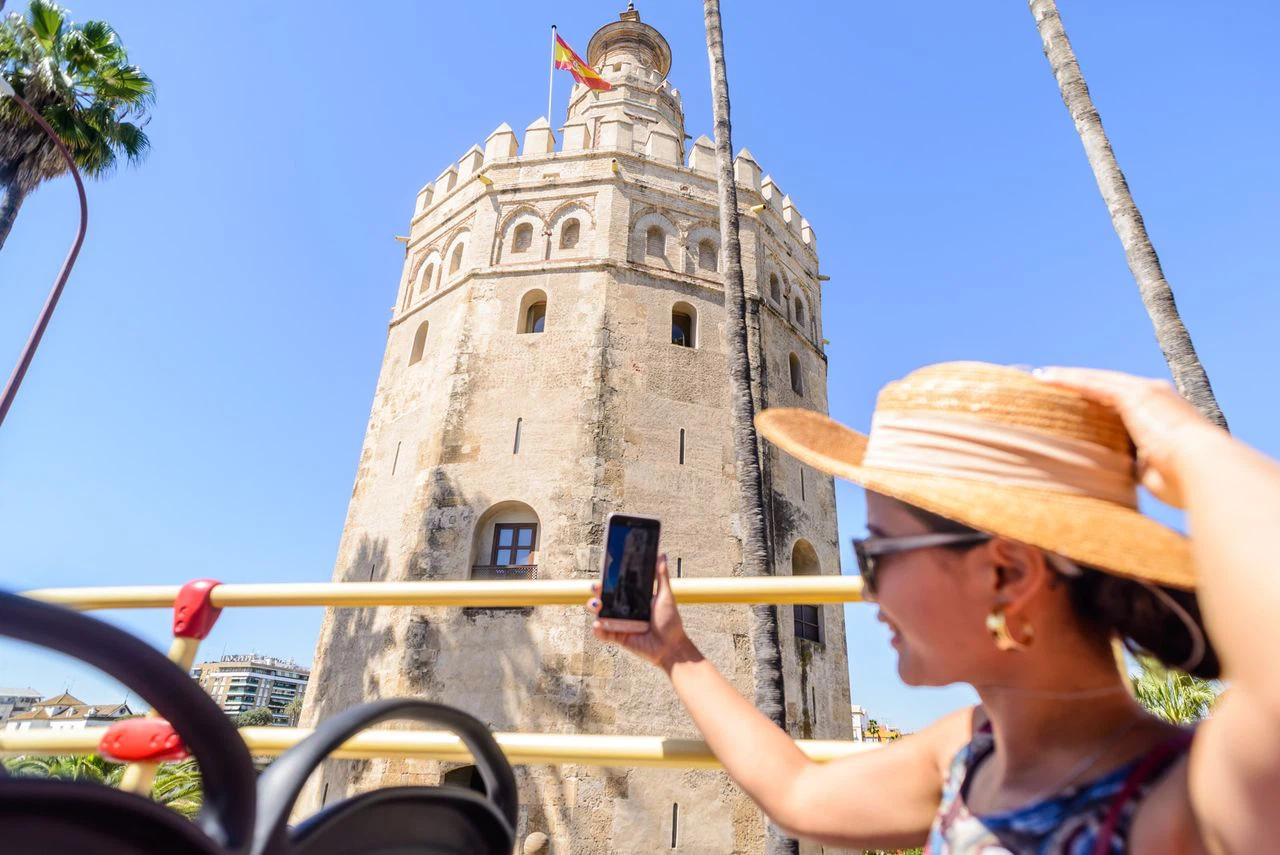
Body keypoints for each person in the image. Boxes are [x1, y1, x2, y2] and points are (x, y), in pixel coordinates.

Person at [587, 361, 1280, 853]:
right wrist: (673, 651)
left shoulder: (1189, 803)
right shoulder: (970, 752)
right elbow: (799, 790)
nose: (865, 589)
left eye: (878, 554)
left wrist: (1186, 441)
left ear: (1006, 570)